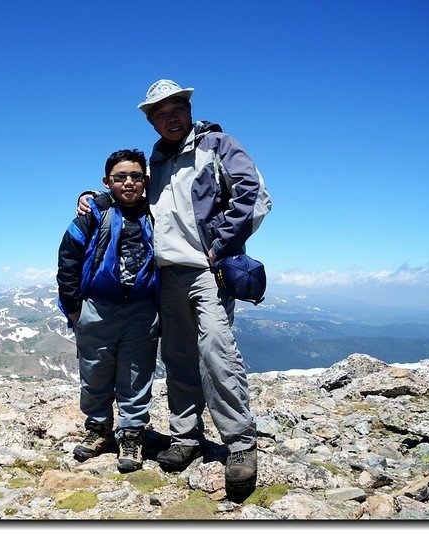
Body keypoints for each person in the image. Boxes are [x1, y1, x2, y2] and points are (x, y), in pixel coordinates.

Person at [78, 80, 269, 498]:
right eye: (160, 113)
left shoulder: (217, 144)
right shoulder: (156, 162)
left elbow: (252, 194)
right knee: (178, 353)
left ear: (188, 108)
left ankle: (240, 443)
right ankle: (186, 435)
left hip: (206, 271)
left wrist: (219, 248)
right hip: (167, 274)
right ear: (152, 121)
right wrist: (92, 197)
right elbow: (129, 194)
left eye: (176, 108)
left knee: (216, 348)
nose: (170, 117)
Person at [57, 148, 160, 474]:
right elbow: (68, 259)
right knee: (95, 373)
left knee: (136, 375)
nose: (128, 182)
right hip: (96, 308)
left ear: (145, 180)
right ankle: (98, 430)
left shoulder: (157, 213)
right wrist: (74, 308)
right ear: (107, 181)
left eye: (135, 176)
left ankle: (130, 436)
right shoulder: (92, 213)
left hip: (142, 309)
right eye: (120, 177)